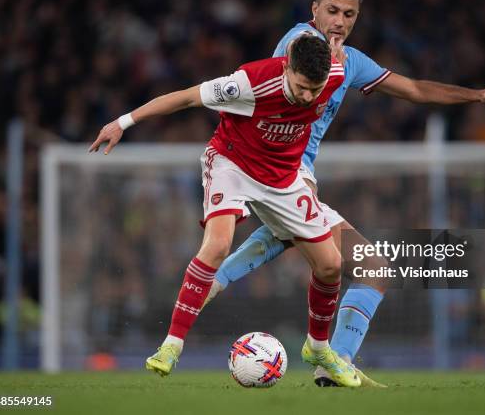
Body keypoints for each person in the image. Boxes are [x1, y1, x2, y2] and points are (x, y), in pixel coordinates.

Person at [204, 0, 485, 387]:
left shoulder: (351, 60)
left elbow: (413, 88)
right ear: (314, 9)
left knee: (371, 265)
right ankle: (230, 290)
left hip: (298, 176)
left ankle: (329, 364)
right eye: (332, 10)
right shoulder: (298, 45)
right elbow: (288, 98)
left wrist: (475, 95)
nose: (339, 21)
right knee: (343, 253)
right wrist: (333, 68)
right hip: (275, 169)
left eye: (349, 14)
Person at [89, 34, 362, 387]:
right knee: (218, 245)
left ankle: (319, 348)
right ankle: (171, 345)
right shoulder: (249, 82)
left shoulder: (334, 74)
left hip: (283, 176)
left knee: (331, 265)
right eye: (302, 87)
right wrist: (122, 123)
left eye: (315, 89)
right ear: (288, 67)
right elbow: (185, 97)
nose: (309, 96)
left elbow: (333, 66)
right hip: (232, 165)